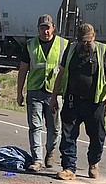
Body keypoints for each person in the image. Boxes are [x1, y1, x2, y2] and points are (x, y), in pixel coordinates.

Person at [51, 23, 106, 180]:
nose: (85, 44)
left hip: (95, 103)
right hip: (73, 100)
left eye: (88, 41)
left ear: (93, 37)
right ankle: (68, 168)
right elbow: (61, 74)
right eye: (82, 41)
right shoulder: (71, 50)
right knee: (68, 134)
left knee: (97, 135)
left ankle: (93, 163)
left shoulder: (103, 51)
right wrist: (54, 96)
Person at [16, 14, 68, 172]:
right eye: (42, 27)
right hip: (35, 91)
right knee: (35, 127)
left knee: (54, 128)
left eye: (48, 27)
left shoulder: (64, 45)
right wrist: (19, 92)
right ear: (38, 29)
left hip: (55, 92)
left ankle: (50, 151)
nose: (45, 31)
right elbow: (23, 69)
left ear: (53, 28)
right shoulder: (30, 44)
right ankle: (37, 159)